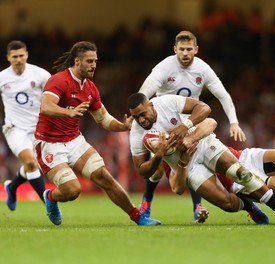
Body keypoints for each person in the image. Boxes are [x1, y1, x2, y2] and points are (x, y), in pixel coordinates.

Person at [33, 41, 160, 226]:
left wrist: (123, 126)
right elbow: (46, 106)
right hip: (49, 143)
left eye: (95, 61)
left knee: (104, 176)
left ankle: (138, 217)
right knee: (72, 190)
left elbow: (103, 119)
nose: (93, 65)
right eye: (89, 61)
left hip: (74, 140)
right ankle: (51, 197)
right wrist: (68, 112)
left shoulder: (90, 88)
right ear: (77, 61)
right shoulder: (59, 80)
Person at [128, 92, 275, 224]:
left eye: (143, 114)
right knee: (226, 203)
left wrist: (186, 126)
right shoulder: (137, 133)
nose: (141, 120)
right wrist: (158, 155)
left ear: (151, 106)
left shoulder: (166, 102)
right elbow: (143, 170)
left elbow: (204, 108)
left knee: (241, 173)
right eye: (136, 118)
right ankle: (250, 207)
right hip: (188, 166)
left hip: (202, 144)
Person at [137, 30, 246, 223]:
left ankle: (198, 206)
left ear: (196, 49)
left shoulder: (203, 69)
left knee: (193, 159)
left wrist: (234, 122)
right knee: (158, 169)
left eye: (189, 49)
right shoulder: (164, 67)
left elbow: (223, 95)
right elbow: (144, 91)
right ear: (175, 49)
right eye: (181, 49)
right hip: (164, 123)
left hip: (190, 123)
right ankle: (147, 201)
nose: (185, 53)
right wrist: (137, 114)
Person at [1, 40, 50, 211]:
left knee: (32, 165)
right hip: (14, 128)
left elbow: (55, 93)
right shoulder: (2, 78)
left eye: (21, 55)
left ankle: (12, 187)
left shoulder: (40, 74)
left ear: (27, 55)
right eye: (15, 56)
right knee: (30, 162)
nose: (19, 59)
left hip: (38, 129)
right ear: (8, 58)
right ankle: (49, 205)